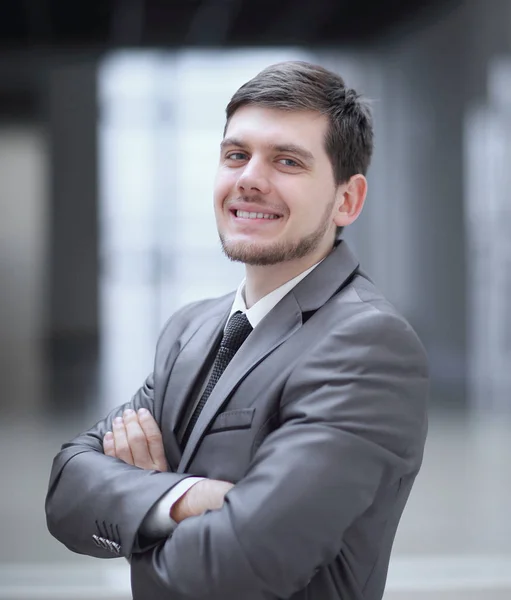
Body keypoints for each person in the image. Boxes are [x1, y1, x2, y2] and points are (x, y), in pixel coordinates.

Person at [45, 60, 429, 600]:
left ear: (347, 200)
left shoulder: (367, 344)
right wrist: (188, 498)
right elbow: (66, 492)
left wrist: (138, 514)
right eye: (236, 155)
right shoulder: (191, 329)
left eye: (287, 161)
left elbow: (239, 565)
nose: (249, 178)